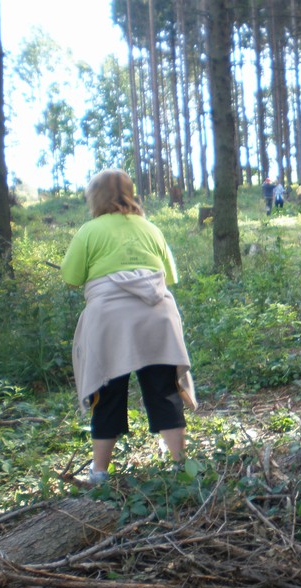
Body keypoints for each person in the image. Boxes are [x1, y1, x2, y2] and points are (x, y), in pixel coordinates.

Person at [61, 169, 197, 484]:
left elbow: (71, 278)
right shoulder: (151, 229)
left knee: (107, 394)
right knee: (164, 392)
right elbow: (170, 278)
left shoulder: (89, 231)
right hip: (157, 319)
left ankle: (99, 476)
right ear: (130, 193)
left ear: (95, 197)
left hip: (109, 322)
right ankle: (182, 469)